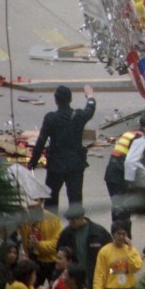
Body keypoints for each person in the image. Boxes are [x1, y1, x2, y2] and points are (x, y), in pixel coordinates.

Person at [28, 84, 96, 212]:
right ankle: (76, 227)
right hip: (75, 165)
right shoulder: (79, 116)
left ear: (56, 100)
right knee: (75, 200)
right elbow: (90, 110)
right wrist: (90, 97)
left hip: (55, 165)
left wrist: (33, 161)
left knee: (51, 201)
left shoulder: (50, 118)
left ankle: (51, 227)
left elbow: (41, 141)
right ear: (70, 99)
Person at [103, 114, 145, 220]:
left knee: (117, 208)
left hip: (111, 174)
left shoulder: (129, 134)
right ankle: (122, 232)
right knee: (123, 211)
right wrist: (129, 182)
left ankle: (116, 233)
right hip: (120, 176)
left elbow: (133, 160)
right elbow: (130, 162)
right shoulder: (141, 139)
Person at [92, 220, 142, 289]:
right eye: (119, 234)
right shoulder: (104, 252)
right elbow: (100, 273)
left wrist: (130, 249)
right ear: (113, 234)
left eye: (124, 234)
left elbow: (136, 267)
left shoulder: (131, 250)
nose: (121, 237)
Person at [55, 205, 112, 289]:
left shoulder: (99, 233)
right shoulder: (66, 234)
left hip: (95, 278)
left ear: (81, 217)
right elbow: (59, 257)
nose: (70, 223)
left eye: (73, 220)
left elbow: (110, 254)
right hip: (74, 279)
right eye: (69, 220)